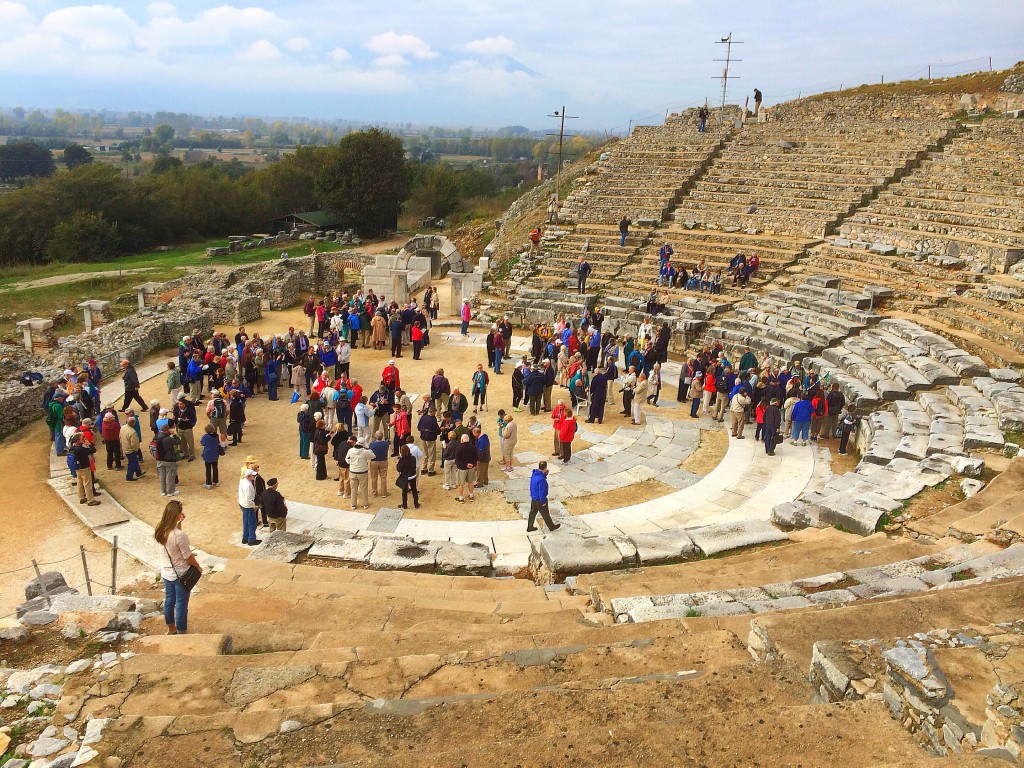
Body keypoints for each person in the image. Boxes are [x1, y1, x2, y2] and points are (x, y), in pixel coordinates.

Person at [155, 500, 202, 635]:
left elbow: (174, 542)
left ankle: (171, 629)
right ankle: (182, 631)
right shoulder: (179, 535)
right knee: (181, 604)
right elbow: (187, 556)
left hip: (166, 572)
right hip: (180, 573)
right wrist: (198, 567)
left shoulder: (160, 529)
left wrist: (179, 524)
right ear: (176, 514)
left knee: (169, 601)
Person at [527, 461, 560, 532]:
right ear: (545, 468)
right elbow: (542, 492)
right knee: (545, 513)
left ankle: (530, 527)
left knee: (533, 512)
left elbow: (539, 479)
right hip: (539, 499)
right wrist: (543, 501)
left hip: (534, 498)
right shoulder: (542, 480)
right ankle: (551, 527)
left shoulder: (534, 474)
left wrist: (545, 474)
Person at [69, 433, 100, 506]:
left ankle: (81, 497)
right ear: (77, 441)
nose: (83, 439)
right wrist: (88, 444)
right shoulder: (80, 449)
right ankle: (90, 500)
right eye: (82, 439)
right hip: (84, 467)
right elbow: (93, 450)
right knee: (87, 483)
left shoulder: (72, 448)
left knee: (79, 482)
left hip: (77, 468)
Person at [347, 439, 374, 510]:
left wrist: (353, 464)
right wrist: (367, 448)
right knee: (364, 489)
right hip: (362, 472)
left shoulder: (350, 450)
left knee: (353, 489)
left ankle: (353, 504)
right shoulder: (365, 452)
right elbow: (373, 456)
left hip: (353, 472)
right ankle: (365, 504)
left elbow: (347, 460)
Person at [154, 422, 178, 497]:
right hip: (168, 459)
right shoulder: (168, 438)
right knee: (170, 475)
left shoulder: (156, 436)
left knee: (162, 476)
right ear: (167, 430)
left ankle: (163, 491)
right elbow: (178, 441)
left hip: (159, 459)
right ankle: (171, 492)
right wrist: (174, 434)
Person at [238, 468, 260, 546]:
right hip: (248, 506)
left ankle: (245, 538)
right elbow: (249, 499)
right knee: (252, 523)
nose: (254, 476)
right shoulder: (248, 485)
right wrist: (254, 506)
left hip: (242, 503)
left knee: (246, 521)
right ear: (249, 476)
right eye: (253, 475)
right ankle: (251, 540)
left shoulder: (243, 481)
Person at [454, 433, 478, 502]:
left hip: (462, 468)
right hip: (471, 468)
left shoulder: (459, 448)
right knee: (470, 482)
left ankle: (461, 498)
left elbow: (457, 460)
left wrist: (465, 465)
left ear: (462, 440)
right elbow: (476, 457)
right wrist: (472, 464)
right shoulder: (473, 447)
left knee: (461, 484)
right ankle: (471, 495)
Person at [396, 444, 420, 509]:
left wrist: (398, 464)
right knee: (414, 490)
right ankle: (416, 504)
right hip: (412, 476)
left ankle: (404, 505)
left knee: (404, 491)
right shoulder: (413, 458)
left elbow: (399, 469)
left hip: (405, 477)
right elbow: (414, 466)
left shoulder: (402, 460)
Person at [121, 415, 144, 481]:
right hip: (130, 450)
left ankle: (138, 473)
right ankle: (129, 477)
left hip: (125, 447)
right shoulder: (132, 432)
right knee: (132, 463)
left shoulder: (123, 427)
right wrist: (136, 450)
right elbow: (134, 443)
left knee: (134, 461)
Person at [417, 407, 439, 475]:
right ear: (432, 412)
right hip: (430, 438)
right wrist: (440, 430)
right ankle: (431, 470)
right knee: (432, 455)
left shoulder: (423, 417)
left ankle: (424, 468)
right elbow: (436, 430)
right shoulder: (433, 419)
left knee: (425, 454)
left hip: (423, 437)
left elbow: (418, 427)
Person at [368, 431, 390, 497]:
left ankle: (374, 492)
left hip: (374, 461)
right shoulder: (386, 444)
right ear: (382, 436)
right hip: (383, 461)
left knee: (374, 478)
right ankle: (384, 493)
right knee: (383, 477)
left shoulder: (372, 444)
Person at [200, 424, 220, 489]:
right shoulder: (216, 436)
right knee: (215, 468)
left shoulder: (205, 437)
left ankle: (208, 483)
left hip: (208, 455)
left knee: (208, 469)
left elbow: (202, 443)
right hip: (215, 454)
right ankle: (215, 481)